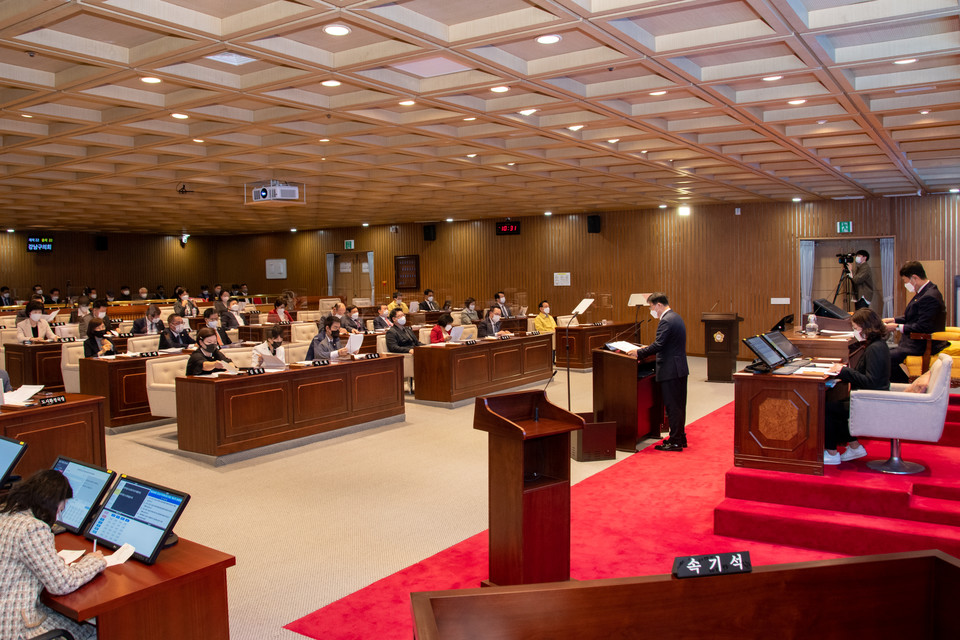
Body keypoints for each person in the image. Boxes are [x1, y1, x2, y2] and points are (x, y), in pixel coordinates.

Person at [0, 469, 107, 640]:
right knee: (96, 632)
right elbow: (62, 583)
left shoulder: (6, 513)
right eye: (60, 509)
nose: (57, 517)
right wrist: (93, 561)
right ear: (51, 503)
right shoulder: (32, 528)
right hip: (14, 627)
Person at [823, 308, 890, 465]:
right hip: (872, 396)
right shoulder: (877, 345)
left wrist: (844, 371)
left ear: (865, 327)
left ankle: (832, 453)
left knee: (828, 409)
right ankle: (854, 446)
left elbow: (870, 381)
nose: (854, 332)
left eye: (855, 328)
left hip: (872, 400)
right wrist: (844, 372)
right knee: (836, 406)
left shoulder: (875, 349)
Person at [628, 293, 689, 452]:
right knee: (679, 405)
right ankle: (680, 437)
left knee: (672, 407)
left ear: (659, 305)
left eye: (651, 307)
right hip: (680, 367)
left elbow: (659, 345)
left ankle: (675, 442)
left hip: (670, 369)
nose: (651, 310)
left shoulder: (666, 321)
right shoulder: (676, 317)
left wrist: (640, 352)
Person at [882, 261, 948, 383]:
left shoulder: (929, 296)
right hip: (916, 340)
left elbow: (923, 326)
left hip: (924, 343)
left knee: (885, 357)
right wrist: (893, 320)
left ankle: (905, 386)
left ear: (914, 278)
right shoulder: (925, 291)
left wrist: (896, 327)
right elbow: (912, 317)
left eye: (906, 282)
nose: (906, 285)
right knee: (883, 352)